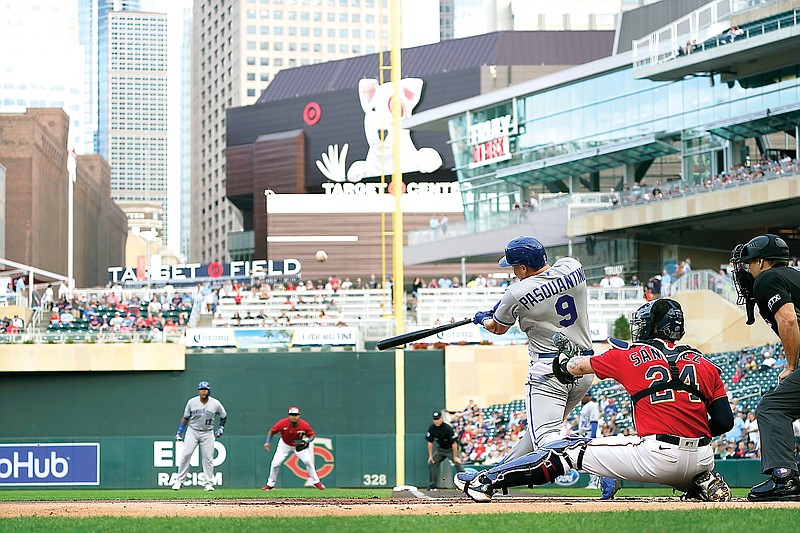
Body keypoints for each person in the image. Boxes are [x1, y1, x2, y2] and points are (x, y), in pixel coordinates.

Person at [456, 298, 734, 503]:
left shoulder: (630, 355)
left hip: (657, 456)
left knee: (565, 449)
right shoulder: (705, 363)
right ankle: (698, 483)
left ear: (650, 326)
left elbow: (575, 367)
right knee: (621, 446)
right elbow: (724, 421)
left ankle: (487, 481)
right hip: (701, 458)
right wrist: (688, 437)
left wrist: (563, 361)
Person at [471, 236, 595, 461]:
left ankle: (597, 461)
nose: (513, 272)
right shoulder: (571, 266)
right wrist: (508, 303)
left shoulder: (516, 293)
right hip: (584, 368)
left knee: (546, 440)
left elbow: (497, 328)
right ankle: (493, 478)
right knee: (536, 435)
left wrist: (483, 319)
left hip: (550, 372)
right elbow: (542, 285)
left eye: (514, 268)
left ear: (523, 267)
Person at [730, 234, 800, 501]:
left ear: (761, 261)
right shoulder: (793, 276)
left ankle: (784, 479)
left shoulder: (768, 279)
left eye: (749, 264)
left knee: (772, 407)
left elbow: (789, 320)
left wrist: (791, 366)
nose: (747, 270)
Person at [172, 381, 227, 491]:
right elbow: (185, 418)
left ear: (208, 390)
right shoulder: (192, 402)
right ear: (198, 391)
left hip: (208, 432)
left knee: (208, 458)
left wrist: (221, 427)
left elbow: (223, 415)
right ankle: (179, 481)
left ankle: (208, 483)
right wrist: (180, 432)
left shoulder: (215, 403)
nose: (203, 391)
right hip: (193, 431)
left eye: (205, 389)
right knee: (186, 455)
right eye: (201, 389)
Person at [262, 406, 325, 490]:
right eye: (291, 414)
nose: (293, 417)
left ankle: (316, 482)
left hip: (298, 445)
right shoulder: (282, 423)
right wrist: (267, 441)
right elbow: (272, 431)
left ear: (299, 416)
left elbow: (312, 435)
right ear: (289, 416)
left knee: (308, 461)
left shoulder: (304, 425)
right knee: (275, 463)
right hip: (284, 444)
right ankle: (270, 484)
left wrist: (307, 441)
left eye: (295, 415)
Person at [425, 411, 464, 490]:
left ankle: (463, 484)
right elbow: (430, 442)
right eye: (435, 419)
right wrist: (430, 456)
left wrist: (455, 456)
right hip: (441, 450)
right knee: (432, 463)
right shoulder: (432, 428)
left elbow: (454, 443)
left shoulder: (447, 428)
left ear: (441, 419)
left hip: (451, 449)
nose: (436, 421)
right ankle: (432, 486)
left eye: (438, 419)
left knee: (458, 463)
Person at [578, 393, 601, 489]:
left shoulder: (592, 405)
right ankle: (593, 482)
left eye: (584, 396)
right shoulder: (586, 406)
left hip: (592, 435)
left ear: (589, 396)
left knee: (594, 461)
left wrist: (592, 438)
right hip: (586, 435)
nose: (582, 398)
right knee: (589, 460)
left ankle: (595, 483)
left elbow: (594, 422)